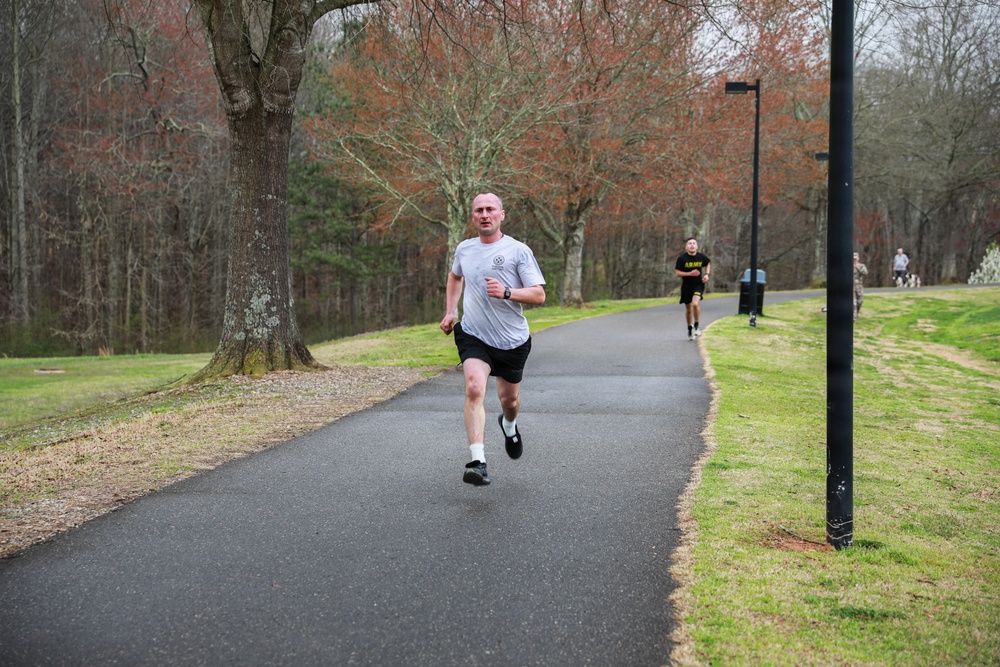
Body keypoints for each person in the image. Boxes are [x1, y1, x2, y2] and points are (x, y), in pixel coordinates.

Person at [440, 193, 546, 486]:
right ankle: (478, 461)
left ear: (502, 215)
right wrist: (450, 311)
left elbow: (539, 294)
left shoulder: (518, 251)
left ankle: (509, 424)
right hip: (474, 335)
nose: (484, 214)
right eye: (479, 210)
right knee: (474, 387)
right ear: (473, 217)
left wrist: (508, 292)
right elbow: (455, 277)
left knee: (508, 399)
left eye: (490, 209)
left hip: (512, 340)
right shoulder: (464, 249)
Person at [674, 237, 711, 340]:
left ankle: (697, 325)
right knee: (689, 309)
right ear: (686, 247)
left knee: (695, 304)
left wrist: (707, 274)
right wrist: (689, 273)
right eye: (689, 243)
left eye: (694, 243)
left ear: (697, 246)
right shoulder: (682, 259)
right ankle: (689, 327)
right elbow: (677, 273)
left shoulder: (701, 257)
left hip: (698, 284)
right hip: (686, 286)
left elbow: (707, 263)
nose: (692, 245)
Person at [853, 252, 868, 322]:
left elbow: (865, 273)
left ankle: (856, 313)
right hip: (851, 287)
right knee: (854, 303)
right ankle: (854, 318)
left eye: (855, 259)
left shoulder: (861, 266)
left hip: (859, 286)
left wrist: (858, 268)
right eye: (853, 259)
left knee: (860, 301)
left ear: (858, 259)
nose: (854, 260)